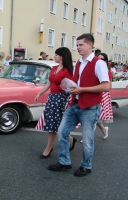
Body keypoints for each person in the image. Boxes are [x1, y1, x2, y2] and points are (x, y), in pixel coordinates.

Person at [48, 34, 110, 177]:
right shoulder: (78, 63)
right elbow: (78, 84)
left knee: (88, 139)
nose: (78, 48)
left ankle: (86, 166)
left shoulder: (98, 63)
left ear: (90, 45)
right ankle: (64, 162)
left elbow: (106, 86)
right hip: (74, 104)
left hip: (89, 107)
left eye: (81, 45)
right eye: (77, 45)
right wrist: (71, 88)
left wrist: (82, 90)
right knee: (62, 131)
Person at [35, 47, 77, 158]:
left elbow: (71, 86)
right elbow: (49, 82)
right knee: (51, 123)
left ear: (62, 56)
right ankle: (49, 147)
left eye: (56, 55)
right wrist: (40, 93)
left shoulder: (68, 70)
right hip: (52, 98)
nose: (54, 56)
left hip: (62, 98)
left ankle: (70, 139)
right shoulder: (54, 68)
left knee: (60, 124)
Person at [96, 53, 113, 139]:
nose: (99, 60)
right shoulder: (95, 68)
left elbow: (109, 86)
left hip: (102, 95)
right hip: (95, 93)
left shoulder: (107, 72)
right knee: (93, 117)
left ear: (105, 61)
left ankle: (88, 137)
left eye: (102, 59)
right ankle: (103, 129)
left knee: (94, 116)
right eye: (98, 58)